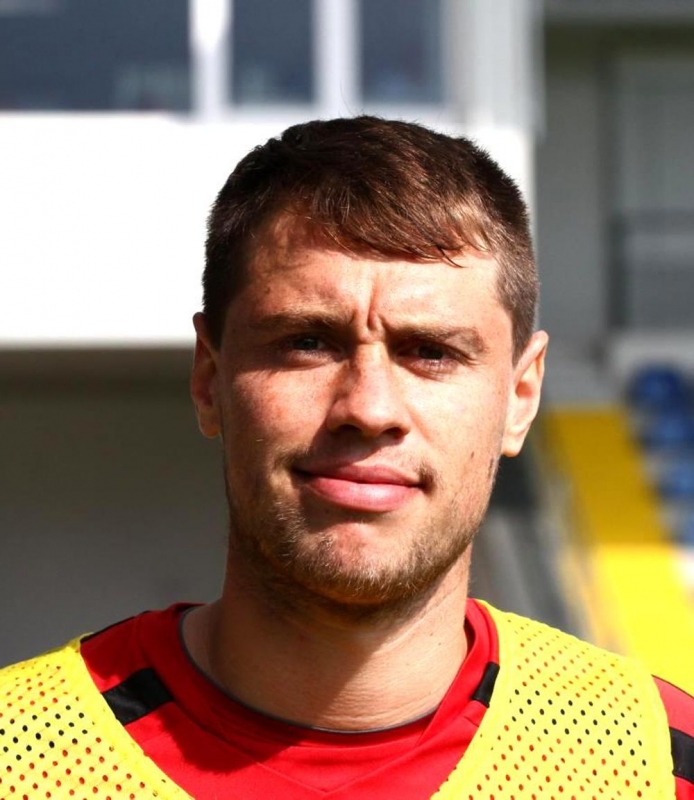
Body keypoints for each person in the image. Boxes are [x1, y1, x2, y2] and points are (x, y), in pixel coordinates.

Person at [0, 116, 692, 800]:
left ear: (520, 395)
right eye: (308, 342)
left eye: (431, 352)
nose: (369, 407)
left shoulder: (662, 765)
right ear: (209, 379)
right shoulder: (22, 759)